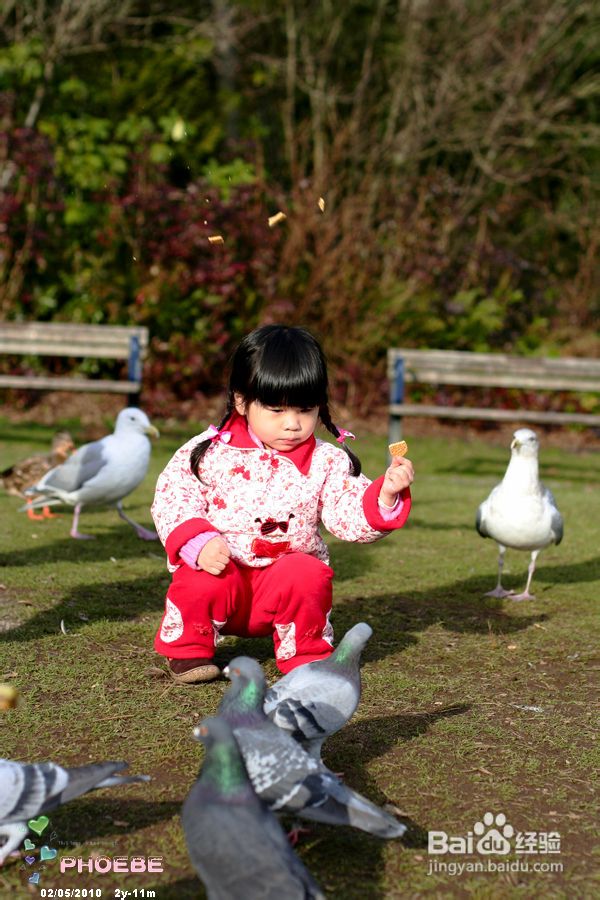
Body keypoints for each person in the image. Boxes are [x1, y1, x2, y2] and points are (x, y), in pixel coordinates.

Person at [151, 324, 414, 684]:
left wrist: (385, 496)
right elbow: (173, 495)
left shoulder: (328, 461)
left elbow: (346, 511)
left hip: (283, 587)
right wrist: (196, 542)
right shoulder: (210, 451)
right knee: (197, 576)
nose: (292, 424)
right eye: (276, 410)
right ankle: (189, 649)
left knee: (307, 573)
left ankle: (305, 652)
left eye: (305, 410)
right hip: (223, 575)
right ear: (242, 401)